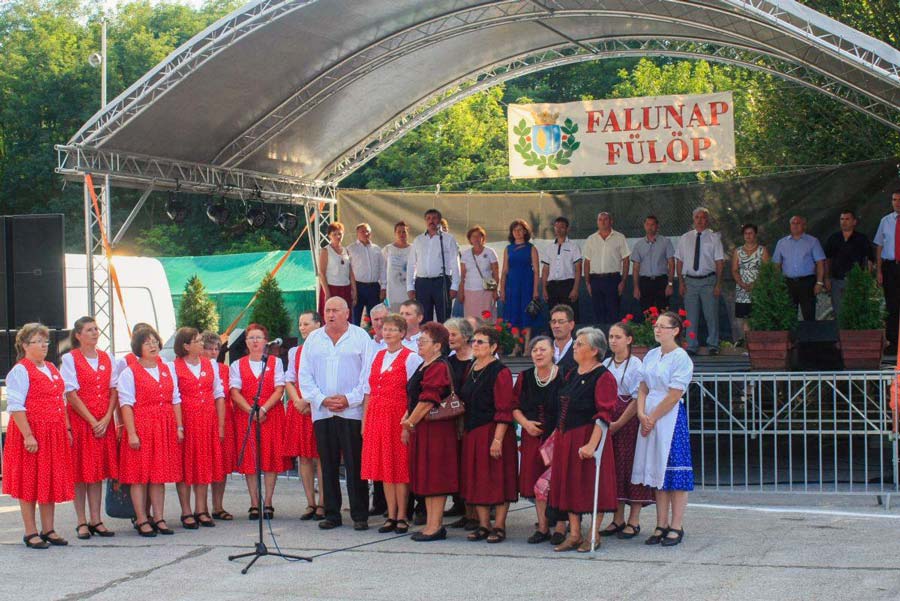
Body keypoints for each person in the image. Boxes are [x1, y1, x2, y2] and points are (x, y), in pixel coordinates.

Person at [299, 296, 373, 530]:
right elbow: (305, 375)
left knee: (354, 464)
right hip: (323, 412)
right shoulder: (314, 339)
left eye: (335, 310)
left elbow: (367, 375)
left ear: (347, 313)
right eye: (327, 310)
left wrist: (349, 399)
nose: (330, 314)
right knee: (327, 464)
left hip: (351, 412)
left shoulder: (360, 336)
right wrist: (321, 399)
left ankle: (360, 514)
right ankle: (331, 513)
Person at [3, 323, 75, 549]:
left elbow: (60, 402)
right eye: (38, 341)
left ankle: (49, 528)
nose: (44, 345)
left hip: (53, 432)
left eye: (46, 341)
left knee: (49, 479)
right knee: (29, 481)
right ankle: (30, 531)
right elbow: (16, 406)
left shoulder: (52, 368)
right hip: (33, 431)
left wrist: (67, 428)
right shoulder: (20, 370)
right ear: (25, 345)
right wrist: (28, 435)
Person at [547, 327, 618, 552]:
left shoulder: (604, 377)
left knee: (591, 484)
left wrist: (592, 444)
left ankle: (594, 534)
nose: (575, 347)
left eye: (579, 344)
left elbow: (604, 415)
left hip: (588, 435)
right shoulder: (571, 374)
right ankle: (575, 534)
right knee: (569, 485)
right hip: (566, 436)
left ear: (594, 350)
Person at [632, 311, 695, 547]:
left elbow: (674, 393)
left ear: (675, 330)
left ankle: (676, 525)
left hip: (669, 417)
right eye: (656, 326)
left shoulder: (681, 358)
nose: (657, 330)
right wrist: (641, 414)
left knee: (675, 473)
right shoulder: (650, 355)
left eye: (663, 326)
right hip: (649, 413)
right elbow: (643, 387)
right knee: (657, 470)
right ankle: (661, 523)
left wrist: (652, 418)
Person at [117, 325, 184, 537]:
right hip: (142, 425)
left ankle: (159, 517)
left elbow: (175, 399)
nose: (153, 345)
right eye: (147, 342)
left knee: (158, 475)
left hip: (164, 426)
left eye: (155, 341)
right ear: (138, 347)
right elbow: (126, 404)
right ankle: (141, 518)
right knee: (139, 475)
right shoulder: (129, 372)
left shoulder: (167, 368)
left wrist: (179, 426)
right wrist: (132, 433)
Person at [362, 314, 423, 534]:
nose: (387, 333)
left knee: (399, 466)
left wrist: (407, 422)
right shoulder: (377, 356)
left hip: (397, 415)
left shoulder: (411, 357)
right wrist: (365, 421)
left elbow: (414, 393)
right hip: (377, 415)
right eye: (385, 329)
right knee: (384, 467)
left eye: (392, 329)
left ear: (402, 333)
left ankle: (402, 515)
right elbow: (368, 391)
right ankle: (390, 513)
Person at [60, 316, 118, 540]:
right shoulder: (70, 359)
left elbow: (113, 389)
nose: (95, 333)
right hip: (82, 422)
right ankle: (81, 521)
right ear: (78, 335)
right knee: (81, 473)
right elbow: (71, 394)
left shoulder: (107, 358)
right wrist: (93, 421)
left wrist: (106, 418)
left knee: (96, 473)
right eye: (89, 330)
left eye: (96, 329)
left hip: (104, 420)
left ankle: (96, 519)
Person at [459, 326, 518, 544]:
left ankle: (499, 525)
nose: (475, 344)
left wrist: (498, 439)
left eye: (481, 342)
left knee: (497, 479)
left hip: (493, 430)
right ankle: (484, 524)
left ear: (493, 347)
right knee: (477, 479)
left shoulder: (500, 371)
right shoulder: (473, 367)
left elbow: (504, 408)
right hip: (473, 431)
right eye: (474, 341)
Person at [401, 322, 458, 541]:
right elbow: (414, 397)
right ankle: (432, 524)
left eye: (423, 341)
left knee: (436, 476)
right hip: (424, 428)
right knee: (428, 475)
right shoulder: (425, 365)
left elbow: (428, 399)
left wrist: (410, 422)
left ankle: (436, 526)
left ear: (437, 345)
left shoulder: (439, 366)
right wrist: (409, 419)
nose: (419, 344)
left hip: (437, 429)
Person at [599, 321, 653, 539]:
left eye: (618, 337)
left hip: (628, 422)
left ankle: (634, 519)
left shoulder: (636, 365)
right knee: (615, 469)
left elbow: (636, 398)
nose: (613, 341)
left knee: (632, 467)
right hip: (609, 419)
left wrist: (619, 423)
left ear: (629, 340)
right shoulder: (605, 364)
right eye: (611, 336)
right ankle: (618, 518)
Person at [229, 323, 287, 521]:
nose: (255, 341)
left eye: (258, 338)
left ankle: (268, 502)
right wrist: (250, 410)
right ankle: (254, 503)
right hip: (246, 415)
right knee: (251, 460)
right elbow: (234, 392)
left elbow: (279, 389)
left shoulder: (275, 362)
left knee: (269, 459)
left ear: (265, 341)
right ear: (246, 342)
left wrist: (263, 409)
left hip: (270, 414)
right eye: (251, 338)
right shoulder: (237, 365)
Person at [172, 327, 226, 529]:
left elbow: (219, 395)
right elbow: (174, 397)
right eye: (197, 340)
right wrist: (178, 425)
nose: (202, 344)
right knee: (186, 466)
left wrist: (220, 425)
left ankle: (201, 508)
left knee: (204, 463)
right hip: (187, 421)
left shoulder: (210, 364)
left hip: (207, 421)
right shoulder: (173, 366)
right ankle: (186, 510)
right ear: (186, 345)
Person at [512, 336, 561, 544]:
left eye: (542, 349)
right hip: (532, 435)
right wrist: (525, 424)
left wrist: (558, 432)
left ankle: (560, 526)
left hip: (557, 435)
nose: (538, 353)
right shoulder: (524, 377)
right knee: (536, 483)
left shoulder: (564, 375)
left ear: (552, 352)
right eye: (534, 350)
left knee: (557, 482)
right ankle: (542, 527)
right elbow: (513, 406)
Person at [283, 312, 326, 521]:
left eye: (306, 323)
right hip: (299, 407)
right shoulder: (295, 352)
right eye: (300, 324)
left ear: (318, 324)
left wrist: (311, 401)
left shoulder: (327, 350)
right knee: (304, 457)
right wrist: (298, 401)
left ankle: (323, 502)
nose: (302, 327)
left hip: (319, 407)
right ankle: (310, 502)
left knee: (322, 456)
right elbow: (289, 379)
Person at [675, 207, 725, 355]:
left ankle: (713, 345)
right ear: (693, 219)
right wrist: (681, 283)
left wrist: (718, 284)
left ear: (707, 219)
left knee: (711, 315)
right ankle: (691, 345)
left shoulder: (714, 237)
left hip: (708, 281)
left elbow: (719, 262)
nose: (700, 220)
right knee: (691, 316)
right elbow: (679, 261)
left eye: (703, 217)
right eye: (697, 217)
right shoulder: (685, 238)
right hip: (690, 281)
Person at [201, 330, 236, 521]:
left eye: (216, 349)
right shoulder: (198, 367)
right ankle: (202, 507)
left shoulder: (224, 370)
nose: (213, 352)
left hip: (224, 419)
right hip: (204, 419)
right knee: (205, 464)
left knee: (220, 465)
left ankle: (218, 506)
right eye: (209, 348)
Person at [444, 317, 474, 524]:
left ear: (466, 336)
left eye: (453, 334)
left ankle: (476, 508)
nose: (450, 338)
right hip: (453, 418)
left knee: (471, 464)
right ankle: (460, 504)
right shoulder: (449, 361)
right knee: (456, 462)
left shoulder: (478, 360)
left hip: (474, 419)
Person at [407, 208, 460, 323]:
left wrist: (455, 285)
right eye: (428, 218)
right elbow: (411, 264)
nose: (431, 221)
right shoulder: (418, 240)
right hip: (422, 284)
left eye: (434, 218)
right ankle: (427, 340)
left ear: (439, 220)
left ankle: (444, 341)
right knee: (423, 319)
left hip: (442, 282)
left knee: (444, 318)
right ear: (425, 221)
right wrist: (410, 286)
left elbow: (455, 263)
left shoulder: (448, 239)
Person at [772, 215, 826, 321]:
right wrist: (777, 283)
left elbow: (820, 263)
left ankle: (810, 337)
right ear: (790, 225)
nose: (795, 225)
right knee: (788, 315)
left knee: (809, 313)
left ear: (804, 225)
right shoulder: (781, 242)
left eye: (798, 223)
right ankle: (792, 338)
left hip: (807, 282)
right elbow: (776, 265)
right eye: (793, 223)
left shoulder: (813, 241)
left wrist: (819, 283)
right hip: (788, 283)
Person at [499, 219, 540, 354]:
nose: (518, 232)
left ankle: (527, 348)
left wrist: (535, 290)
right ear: (512, 232)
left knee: (526, 316)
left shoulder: (531, 248)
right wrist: (502, 289)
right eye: (515, 230)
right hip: (512, 286)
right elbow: (504, 270)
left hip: (527, 286)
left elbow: (536, 271)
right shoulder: (508, 249)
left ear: (525, 232)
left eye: (521, 229)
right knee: (513, 316)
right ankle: (516, 347)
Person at [583, 212, 630, 327]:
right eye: (600, 220)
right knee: (598, 313)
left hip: (613, 279)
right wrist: (587, 282)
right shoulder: (591, 239)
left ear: (611, 221)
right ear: (597, 222)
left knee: (613, 312)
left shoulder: (620, 237)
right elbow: (587, 262)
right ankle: (600, 342)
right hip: (595, 280)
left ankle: (613, 341)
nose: (603, 222)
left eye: (605, 219)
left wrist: (623, 281)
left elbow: (626, 260)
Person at [824, 209, 874, 317]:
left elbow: (869, 260)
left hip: (856, 281)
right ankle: (840, 334)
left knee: (857, 311)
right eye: (842, 219)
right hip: (837, 281)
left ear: (854, 222)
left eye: (847, 219)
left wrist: (865, 280)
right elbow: (827, 260)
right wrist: (827, 278)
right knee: (839, 312)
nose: (844, 222)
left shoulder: (862, 239)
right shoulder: (833, 238)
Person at [731, 224, 769, 341]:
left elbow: (766, 270)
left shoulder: (762, 250)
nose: (748, 236)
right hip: (742, 290)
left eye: (751, 233)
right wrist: (742, 283)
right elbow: (734, 270)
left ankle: (760, 344)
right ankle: (748, 346)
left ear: (755, 234)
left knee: (759, 316)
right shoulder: (738, 251)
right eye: (746, 233)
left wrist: (755, 284)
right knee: (745, 319)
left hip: (758, 288)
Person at [541, 216, 582, 322]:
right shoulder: (549, 248)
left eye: (562, 227)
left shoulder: (574, 247)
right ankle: (553, 338)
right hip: (552, 286)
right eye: (556, 227)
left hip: (568, 285)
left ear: (567, 229)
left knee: (570, 316)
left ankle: (572, 338)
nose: (559, 230)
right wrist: (544, 289)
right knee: (553, 316)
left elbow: (578, 269)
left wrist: (575, 289)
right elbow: (545, 270)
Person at [631, 215, 675, 312]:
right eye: (647, 224)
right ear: (644, 226)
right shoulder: (639, 245)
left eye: (652, 224)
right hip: (645, 282)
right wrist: (636, 287)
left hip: (661, 282)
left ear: (657, 226)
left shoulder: (666, 242)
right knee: (646, 313)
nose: (650, 227)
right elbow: (635, 268)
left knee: (663, 313)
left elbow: (671, 264)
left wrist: (670, 284)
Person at [875, 190, 900, 354]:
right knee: (892, 305)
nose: (897, 202)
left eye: (899, 199)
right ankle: (893, 343)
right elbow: (879, 245)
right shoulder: (885, 221)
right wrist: (879, 270)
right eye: (894, 199)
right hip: (890, 266)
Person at [348, 222, 386, 325]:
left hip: (374, 288)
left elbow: (383, 269)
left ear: (371, 233)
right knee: (355, 317)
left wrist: (383, 287)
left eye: (367, 231)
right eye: (362, 231)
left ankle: (374, 339)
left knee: (375, 318)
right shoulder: (351, 249)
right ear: (357, 233)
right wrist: (351, 289)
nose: (365, 233)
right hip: (358, 287)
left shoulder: (377, 249)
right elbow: (347, 270)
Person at [459, 226, 499, 320]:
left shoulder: (490, 252)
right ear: (470, 239)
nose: (476, 239)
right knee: (471, 320)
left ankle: (487, 335)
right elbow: (462, 276)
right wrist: (461, 292)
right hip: (469, 292)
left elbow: (495, 274)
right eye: (473, 236)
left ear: (483, 238)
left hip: (486, 291)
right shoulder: (465, 254)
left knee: (486, 319)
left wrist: (494, 291)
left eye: (478, 236)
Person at [317, 222, 356, 316]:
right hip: (331, 288)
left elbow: (350, 272)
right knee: (331, 315)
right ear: (329, 236)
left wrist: (354, 290)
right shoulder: (325, 251)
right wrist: (327, 293)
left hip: (345, 288)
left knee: (344, 316)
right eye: (334, 234)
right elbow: (321, 273)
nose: (338, 236)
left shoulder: (346, 250)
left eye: (340, 234)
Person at [382, 221, 412, 310]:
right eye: (399, 232)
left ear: (407, 233)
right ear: (395, 233)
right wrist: (383, 287)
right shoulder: (388, 249)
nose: (402, 234)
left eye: (404, 232)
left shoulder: (414, 249)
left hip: (408, 290)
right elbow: (382, 269)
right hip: (392, 290)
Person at [549, 304, 576, 374]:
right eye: (553, 322)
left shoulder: (579, 350)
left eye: (561, 322)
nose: (556, 326)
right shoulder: (544, 350)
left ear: (571, 325)